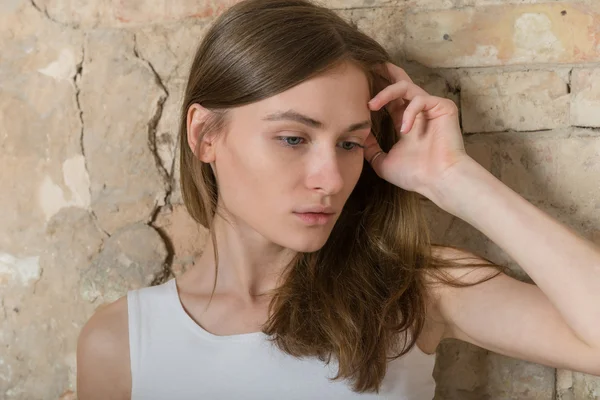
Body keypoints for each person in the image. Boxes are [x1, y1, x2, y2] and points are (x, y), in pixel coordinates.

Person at [76, 0, 600, 399]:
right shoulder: (120, 342)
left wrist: (454, 179)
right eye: (293, 138)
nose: (330, 178)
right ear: (205, 134)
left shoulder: (417, 293)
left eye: (350, 143)